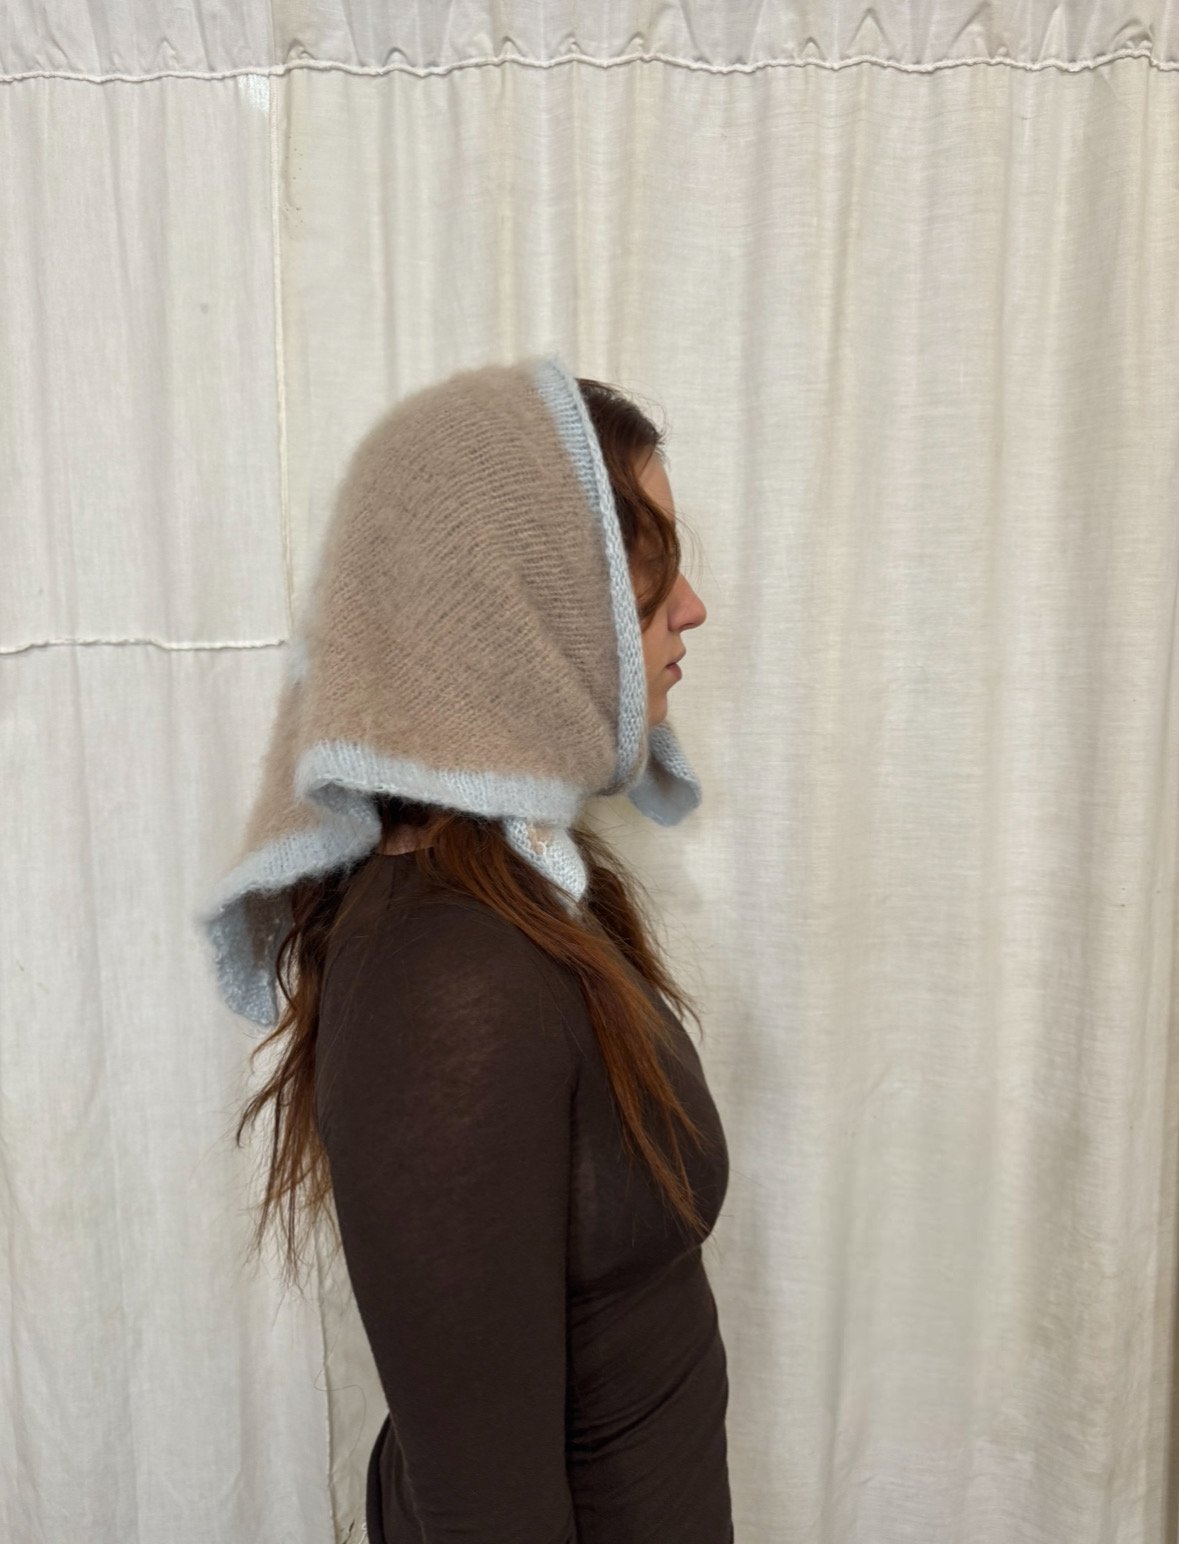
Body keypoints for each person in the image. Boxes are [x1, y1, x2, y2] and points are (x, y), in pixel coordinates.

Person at [202, 355, 732, 1542]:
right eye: (649, 569)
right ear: (524, 611)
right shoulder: (448, 985)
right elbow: (485, 1511)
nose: (692, 606)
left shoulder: (526, 901)